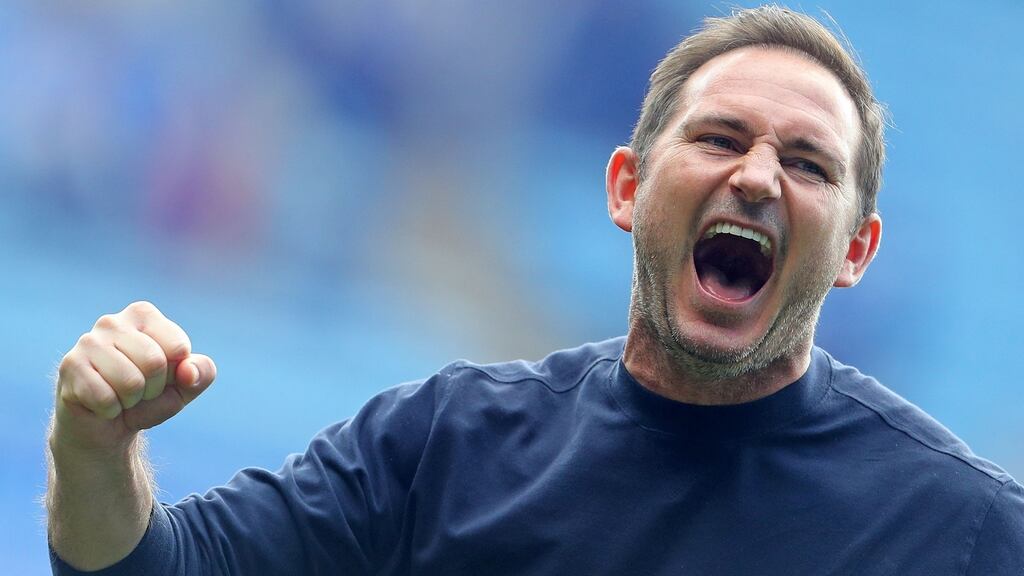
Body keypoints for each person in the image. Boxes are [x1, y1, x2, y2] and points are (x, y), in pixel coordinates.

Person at [47, 6, 1024, 575]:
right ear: (626, 189)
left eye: (807, 162)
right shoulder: (442, 446)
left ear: (856, 250)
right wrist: (94, 449)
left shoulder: (968, 530)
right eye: (720, 138)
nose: (758, 177)